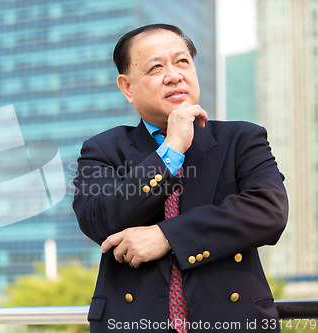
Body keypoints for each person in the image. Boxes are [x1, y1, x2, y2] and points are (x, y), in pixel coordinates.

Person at [72, 24, 288, 332]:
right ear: (127, 87)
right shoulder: (103, 149)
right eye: (156, 67)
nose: (174, 75)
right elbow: (100, 220)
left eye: (182, 61)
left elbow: (269, 211)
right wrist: (170, 150)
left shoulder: (241, 138)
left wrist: (167, 237)